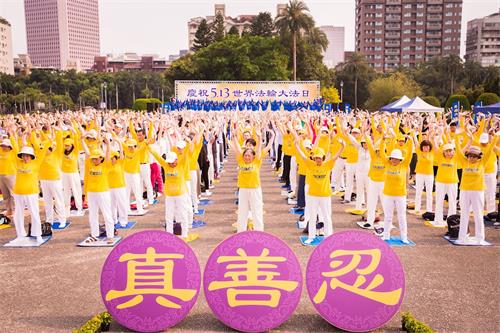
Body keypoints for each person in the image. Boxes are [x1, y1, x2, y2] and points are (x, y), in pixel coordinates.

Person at [293, 132, 345, 244]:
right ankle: (311, 236)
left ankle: (328, 237)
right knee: (312, 215)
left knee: (326, 216)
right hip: (313, 195)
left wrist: (343, 146)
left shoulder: (328, 165)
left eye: (320, 158)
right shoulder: (310, 164)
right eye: (316, 158)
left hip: (325, 195)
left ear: (323, 158)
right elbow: (302, 155)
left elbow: (335, 156)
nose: (318, 160)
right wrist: (296, 145)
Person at [456, 132, 498, 245]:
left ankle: (480, 238)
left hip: (478, 190)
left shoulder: (482, 162)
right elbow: (458, 152)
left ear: (478, 156)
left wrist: (493, 137)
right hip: (465, 190)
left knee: (478, 214)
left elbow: (489, 150)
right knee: (464, 214)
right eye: (470, 155)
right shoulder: (464, 162)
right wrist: (456, 137)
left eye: (474, 156)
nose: (472, 157)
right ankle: (462, 237)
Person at [12, 141, 50, 243]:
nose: (25, 157)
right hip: (18, 192)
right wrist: (12, 134)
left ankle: (38, 235)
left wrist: (49, 139)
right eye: (24, 155)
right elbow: (15, 148)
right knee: (18, 214)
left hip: (31, 193)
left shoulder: (36, 163)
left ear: (31, 156)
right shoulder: (18, 162)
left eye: (28, 155)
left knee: (34, 213)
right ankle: (20, 234)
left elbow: (42, 152)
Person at [148, 147, 190, 239]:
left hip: (180, 194)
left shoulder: (181, 164)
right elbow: (157, 156)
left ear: (176, 160)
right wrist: (148, 146)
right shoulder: (166, 165)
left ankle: (185, 234)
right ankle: (169, 235)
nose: (171, 164)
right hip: (170, 196)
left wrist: (186, 145)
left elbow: (186, 152)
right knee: (169, 215)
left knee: (183, 214)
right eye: (169, 162)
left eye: (172, 162)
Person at [379, 135, 414, 243]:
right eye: (393, 158)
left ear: (400, 159)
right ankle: (386, 235)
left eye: (397, 159)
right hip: (388, 194)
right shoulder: (387, 163)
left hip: (400, 195)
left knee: (401, 216)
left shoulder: (404, 165)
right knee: (388, 216)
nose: (394, 160)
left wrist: (411, 140)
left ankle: (404, 237)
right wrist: (383, 140)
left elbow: (409, 153)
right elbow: (381, 152)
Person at [80, 136, 115, 244]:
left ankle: (110, 236)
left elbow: (108, 153)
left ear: (101, 158)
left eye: (96, 158)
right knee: (92, 214)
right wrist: (82, 140)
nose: (94, 160)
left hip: (103, 192)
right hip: (91, 193)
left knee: (106, 214)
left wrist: (108, 143)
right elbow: (87, 152)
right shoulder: (89, 163)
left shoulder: (105, 165)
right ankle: (94, 234)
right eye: (93, 158)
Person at [231, 127, 264, 232]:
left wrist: (260, 138)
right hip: (243, 189)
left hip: (255, 189)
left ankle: (259, 232)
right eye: (245, 155)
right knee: (242, 212)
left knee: (257, 211)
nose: (247, 157)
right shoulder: (241, 161)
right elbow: (236, 148)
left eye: (249, 156)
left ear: (253, 157)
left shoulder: (256, 161)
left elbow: (258, 149)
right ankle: (240, 232)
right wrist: (234, 136)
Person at [0, 128, 18, 217]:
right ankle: (9, 210)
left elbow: (15, 144)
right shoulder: (0, 151)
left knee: (13, 194)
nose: (3, 146)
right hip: (1, 175)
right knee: (5, 195)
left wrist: (12, 134)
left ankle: (15, 210)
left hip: (11, 175)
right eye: (2, 145)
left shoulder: (13, 152)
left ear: (9, 146)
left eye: (5, 145)